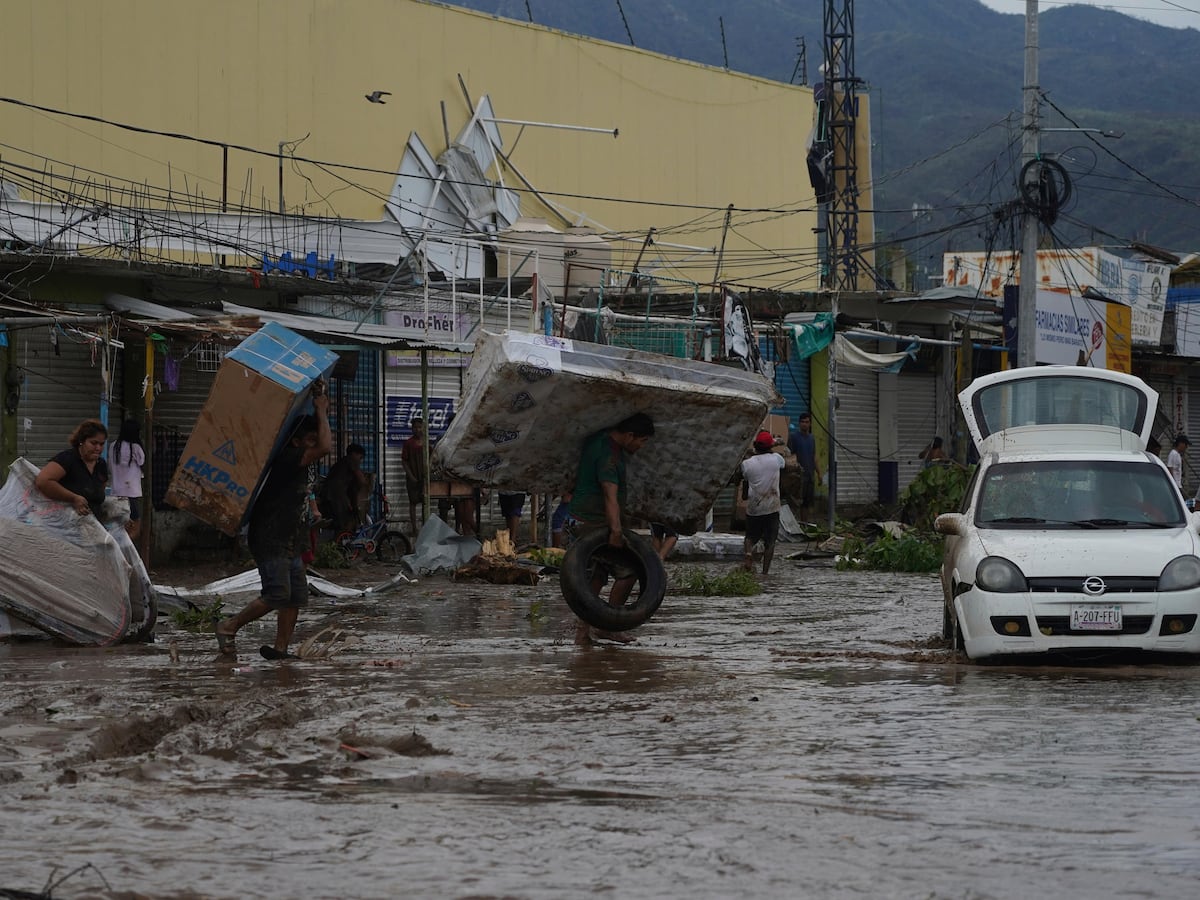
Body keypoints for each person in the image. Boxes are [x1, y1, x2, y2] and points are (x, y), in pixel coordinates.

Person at [216, 382, 332, 660]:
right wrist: (321, 409)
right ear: (296, 442)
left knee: (295, 597)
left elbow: (308, 487)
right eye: (310, 441)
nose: (315, 446)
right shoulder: (289, 458)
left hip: (291, 539)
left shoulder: (303, 462)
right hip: (271, 537)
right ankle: (229, 626)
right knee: (278, 593)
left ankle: (281, 649)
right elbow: (327, 446)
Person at [567, 412, 655, 645]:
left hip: (578, 516)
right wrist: (616, 531)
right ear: (629, 435)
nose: (641, 446)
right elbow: (610, 496)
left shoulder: (597, 439)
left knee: (594, 577)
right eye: (642, 441)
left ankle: (582, 634)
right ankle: (609, 625)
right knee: (629, 571)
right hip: (593, 522)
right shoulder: (610, 458)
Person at [35, 419, 110, 518]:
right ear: (81, 441)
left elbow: (100, 492)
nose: (98, 448)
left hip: (92, 526)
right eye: (93, 443)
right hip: (64, 524)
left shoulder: (101, 464)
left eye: (101, 444)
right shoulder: (68, 459)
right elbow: (43, 481)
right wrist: (73, 498)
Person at [741, 430, 787, 575]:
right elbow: (784, 465)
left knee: (749, 537)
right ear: (769, 447)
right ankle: (765, 573)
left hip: (754, 507)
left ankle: (748, 554)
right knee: (770, 541)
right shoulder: (777, 459)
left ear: (756, 446)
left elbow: (744, 481)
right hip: (772, 506)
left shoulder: (747, 464)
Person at [109, 418, 146, 540]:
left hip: (116, 491)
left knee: (119, 524)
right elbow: (142, 462)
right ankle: (129, 548)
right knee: (134, 522)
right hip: (132, 492)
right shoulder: (135, 447)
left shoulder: (113, 446)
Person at [320, 442, 368, 534]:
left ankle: (340, 543)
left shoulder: (342, 462)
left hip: (331, 494)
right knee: (343, 522)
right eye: (360, 457)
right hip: (335, 495)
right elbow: (361, 480)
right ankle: (340, 545)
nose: (360, 461)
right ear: (354, 454)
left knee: (341, 521)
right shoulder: (351, 460)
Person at [786, 412, 821, 522]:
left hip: (809, 476)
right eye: (802, 422)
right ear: (799, 423)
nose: (804, 424)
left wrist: (819, 473)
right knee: (796, 502)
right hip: (798, 477)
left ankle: (804, 524)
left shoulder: (811, 438)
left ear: (810, 424)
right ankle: (794, 525)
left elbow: (814, 456)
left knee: (806, 503)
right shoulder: (794, 437)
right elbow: (789, 456)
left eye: (807, 422)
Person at [401, 417, 427, 536]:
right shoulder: (408, 443)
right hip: (412, 478)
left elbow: (432, 457)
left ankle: (425, 528)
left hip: (424, 478)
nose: (417, 429)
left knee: (424, 502)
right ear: (412, 429)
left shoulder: (426, 442)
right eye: (415, 427)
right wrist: (411, 476)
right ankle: (414, 529)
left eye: (419, 427)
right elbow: (404, 462)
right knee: (413, 502)